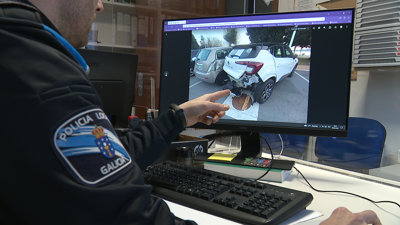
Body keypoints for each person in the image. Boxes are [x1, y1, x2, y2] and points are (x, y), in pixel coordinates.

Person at [0, 0, 381, 224]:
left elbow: (103, 157)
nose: (100, 4)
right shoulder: (43, 81)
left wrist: (180, 116)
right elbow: (128, 214)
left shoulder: (17, 56)